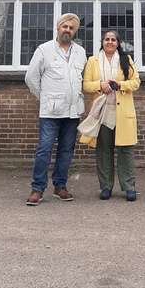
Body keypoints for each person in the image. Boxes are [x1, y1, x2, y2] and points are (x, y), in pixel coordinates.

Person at [24, 13, 86, 206]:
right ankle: (37, 189)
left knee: (66, 150)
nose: (67, 30)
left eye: (71, 28)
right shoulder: (44, 50)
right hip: (50, 112)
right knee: (44, 149)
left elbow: (79, 78)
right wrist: (44, 98)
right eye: (64, 26)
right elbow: (31, 78)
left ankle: (60, 186)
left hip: (72, 110)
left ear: (75, 31)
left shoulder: (81, 52)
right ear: (58, 28)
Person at [82, 30, 141, 201]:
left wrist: (119, 84)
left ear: (118, 43)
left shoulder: (126, 60)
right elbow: (86, 85)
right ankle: (106, 187)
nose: (109, 42)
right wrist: (100, 85)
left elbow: (136, 82)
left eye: (113, 39)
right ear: (102, 42)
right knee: (103, 151)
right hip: (102, 113)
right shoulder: (92, 61)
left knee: (126, 150)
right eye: (106, 39)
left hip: (123, 112)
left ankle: (129, 187)